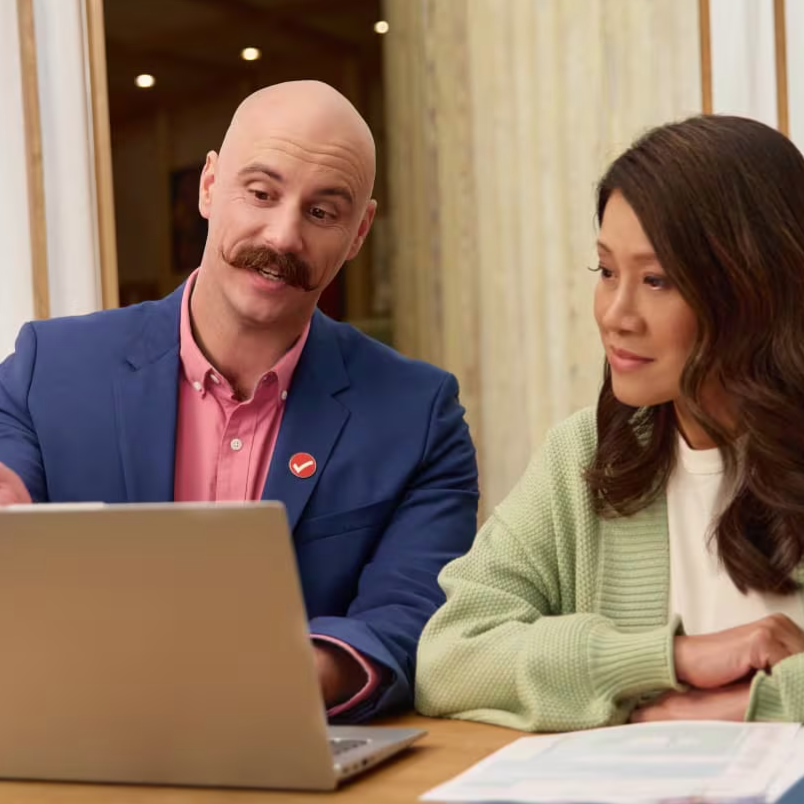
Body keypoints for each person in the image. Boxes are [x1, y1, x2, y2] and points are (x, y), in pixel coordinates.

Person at [0, 80, 479, 723]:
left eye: (322, 212)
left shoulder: (421, 416)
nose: (283, 237)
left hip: (292, 746)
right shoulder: (47, 370)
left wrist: (282, 673)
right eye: (261, 193)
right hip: (76, 741)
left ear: (360, 231)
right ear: (207, 187)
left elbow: (412, 616)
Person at [415, 115, 804, 730]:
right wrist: (669, 659)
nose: (616, 315)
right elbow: (450, 655)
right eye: (605, 271)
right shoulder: (586, 455)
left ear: (754, 287)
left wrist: (750, 704)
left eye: (657, 280)